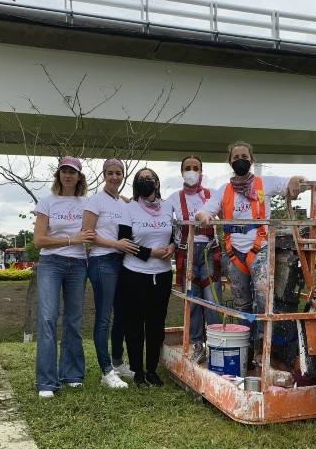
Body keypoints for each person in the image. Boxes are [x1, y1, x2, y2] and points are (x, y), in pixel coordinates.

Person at [196, 140, 308, 366]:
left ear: (252, 160)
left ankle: (261, 349)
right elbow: (204, 210)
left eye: (244, 157)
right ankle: (244, 348)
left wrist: (297, 180)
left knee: (263, 300)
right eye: (236, 158)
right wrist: (203, 216)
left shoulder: (263, 183)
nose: (240, 161)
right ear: (230, 162)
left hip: (260, 250)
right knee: (241, 303)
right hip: (234, 253)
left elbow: (291, 182)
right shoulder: (224, 190)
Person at [33, 156, 96, 398]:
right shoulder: (47, 202)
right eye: (64, 171)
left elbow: (109, 205)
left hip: (78, 264)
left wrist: (125, 199)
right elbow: (39, 240)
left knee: (73, 319)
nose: (68, 175)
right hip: (51, 263)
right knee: (48, 318)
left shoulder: (87, 204)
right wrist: (72, 239)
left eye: (73, 172)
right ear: (58, 175)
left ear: (79, 177)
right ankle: (47, 381)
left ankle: (71, 373)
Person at [82, 158, 140, 388]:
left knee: (122, 314)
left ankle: (117, 361)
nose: (115, 177)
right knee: (104, 317)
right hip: (102, 262)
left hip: (122, 261)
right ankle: (106, 372)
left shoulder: (122, 203)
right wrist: (117, 244)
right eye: (110, 173)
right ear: (104, 175)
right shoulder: (95, 201)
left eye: (119, 173)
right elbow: (87, 233)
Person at [118, 168, 176, 387]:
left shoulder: (168, 207)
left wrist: (172, 246)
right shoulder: (129, 209)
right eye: (141, 179)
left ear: (157, 183)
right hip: (135, 274)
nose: (145, 181)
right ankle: (137, 372)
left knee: (156, 325)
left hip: (162, 275)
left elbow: (174, 236)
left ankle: (152, 370)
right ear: (136, 184)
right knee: (135, 325)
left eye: (149, 178)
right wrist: (150, 253)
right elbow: (124, 242)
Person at [165, 155, 223, 364]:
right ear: (182, 172)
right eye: (187, 168)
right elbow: (158, 214)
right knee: (192, 302)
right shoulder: (173, 198)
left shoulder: (212, 194)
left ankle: (217, 345)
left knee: (212, 300)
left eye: (195, 168)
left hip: (209, 252)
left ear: (201, 171)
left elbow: (229, 211)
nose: (191, 171)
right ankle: (198, 344)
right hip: (186, 252)